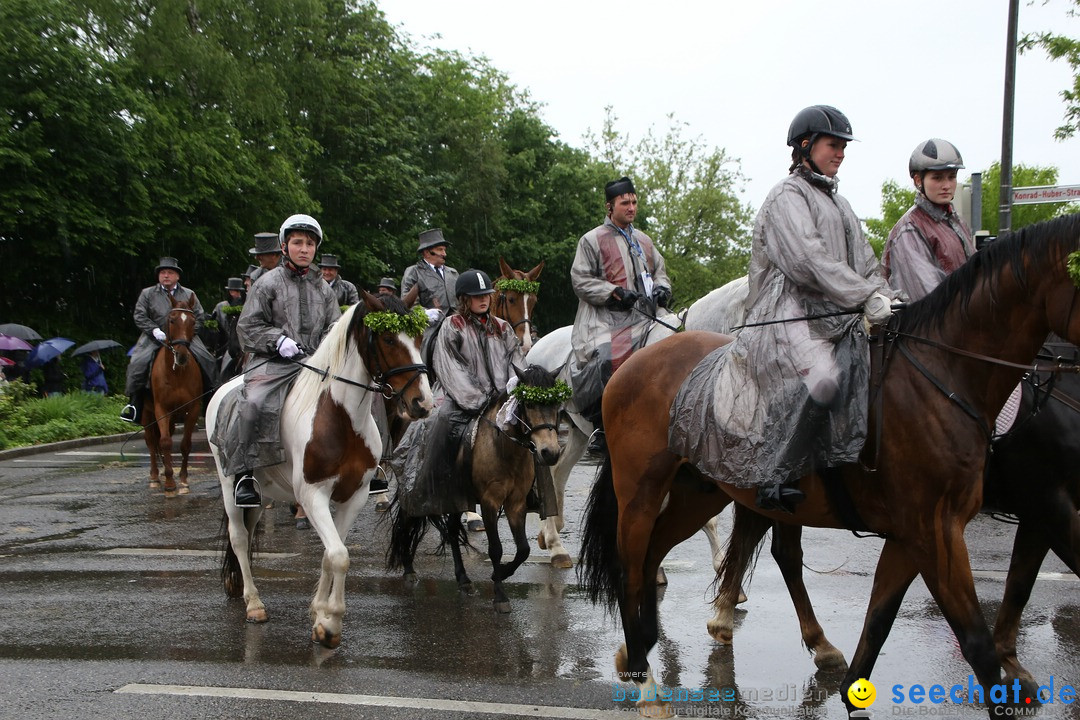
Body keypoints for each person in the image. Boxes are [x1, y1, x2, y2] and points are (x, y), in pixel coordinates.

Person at [670, 105, 899, 513]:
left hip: (834, 313)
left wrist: (889, 298)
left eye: (844, 147)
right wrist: (863, 295)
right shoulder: (785, 196)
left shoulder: (841, 204)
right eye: (834, 145)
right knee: (825, 380)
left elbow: (865, 262)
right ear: (805, 145)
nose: (841, 153)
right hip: (787, 312)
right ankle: (773, 475)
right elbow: (806, 261)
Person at [214, 214, 340, 509]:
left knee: (359, 394)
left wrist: (330, 343)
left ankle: (370, 466)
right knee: (252, 404)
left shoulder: (325, 288)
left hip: (313, 362)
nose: (305, 248)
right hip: (272, 363)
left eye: (310, 244)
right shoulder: (267, 283)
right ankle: (245, 476)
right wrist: (277, 340)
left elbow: (334, 326)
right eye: (298, 242)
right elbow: (247, 327)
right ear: (285, 246)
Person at [391, 269, 524, 517]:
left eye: (486, 295)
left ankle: (533, 492)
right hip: (462, 398)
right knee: (440, 423)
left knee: (534, 431)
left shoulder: (503, 327)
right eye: (476, 296)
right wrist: (481, 401)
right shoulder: (451, 326)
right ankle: (439, 488)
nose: (483, 300)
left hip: (502, 399)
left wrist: (517, 385)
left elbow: (516, 359)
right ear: (464, 299)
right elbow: (450, 369)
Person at [569, 176, 675, 456]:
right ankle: (601, 425)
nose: (631, 207)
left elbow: (660, 271)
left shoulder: (644, 240)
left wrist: (663, 289)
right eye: (624, 202)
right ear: (609, 206)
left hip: (645, 318)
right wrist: (614, 291)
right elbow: (580, 279)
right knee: (606, 358)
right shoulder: (591, 240)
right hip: (605, 319)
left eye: (634, 202)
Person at [120, 257, 217, 423]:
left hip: (185, 337)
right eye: (163, 272)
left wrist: (188, 333)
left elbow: (199, 317)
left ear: (177, 276)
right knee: (137, 362)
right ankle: (134, 405)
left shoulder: (189, 294)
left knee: (207, 359)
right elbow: (139, 315)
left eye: (170, 272)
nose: (166, 275)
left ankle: (211, 402)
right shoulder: (148, 294)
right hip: (155, 337)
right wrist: (154, 330)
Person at [882, 138, 973, 299]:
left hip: (961, 317)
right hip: (932, 321)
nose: (946, 185)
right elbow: (927, 296)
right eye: (937, 178)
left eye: (951, 177)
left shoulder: (956, 221)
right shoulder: (909, 229)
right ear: (918, 180)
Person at [401, 228, 459, 324]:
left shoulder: (453, 273)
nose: (444, 254)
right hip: (430, 327)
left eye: (444, 250)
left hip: (456, 326)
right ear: (427, 253)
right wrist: (424, 313)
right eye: (440, 250)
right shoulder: (414, 272)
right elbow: (407, 303)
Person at [212, 277, 246, 381]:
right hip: (224, 343)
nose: (234, 294)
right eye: (231, 291)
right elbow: (214, 324)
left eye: (237, 291)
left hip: (241, 342)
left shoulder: (245, 305)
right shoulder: (221, 306)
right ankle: (219, 382)